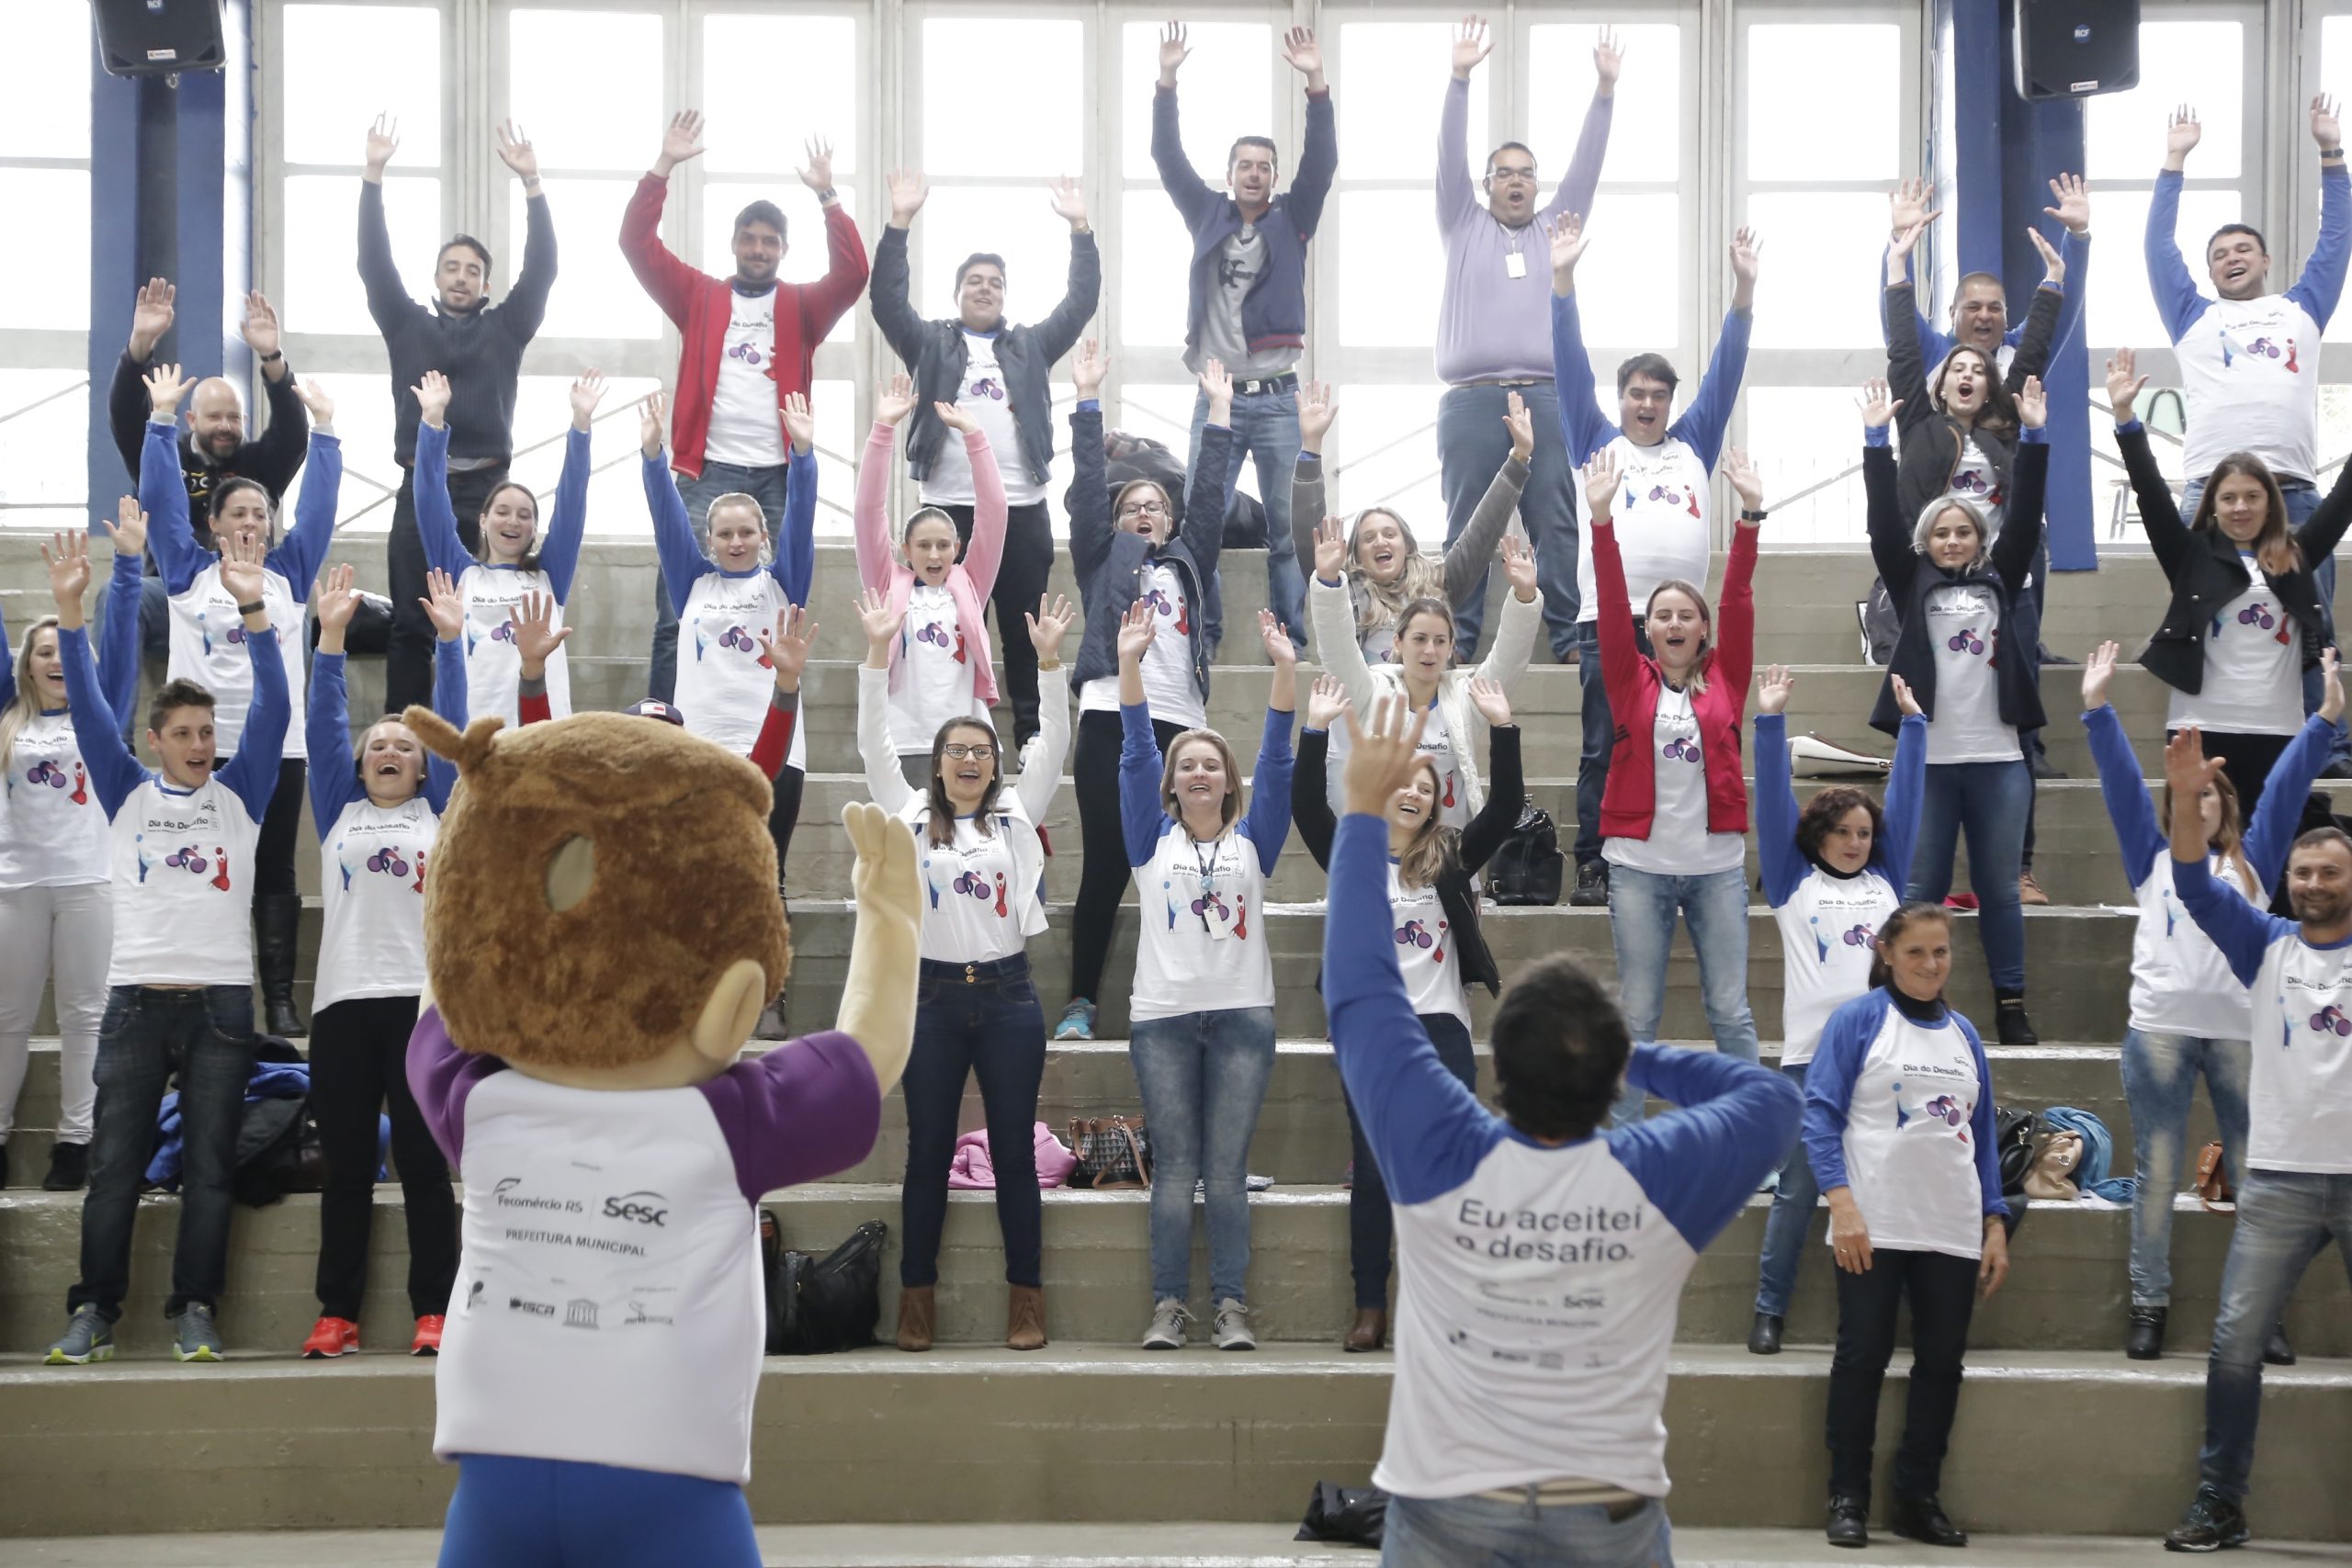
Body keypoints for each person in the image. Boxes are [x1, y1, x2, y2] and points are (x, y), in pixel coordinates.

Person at [1323, 691, 1801, 1567]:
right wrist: (1639, 1061)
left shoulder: (1441, 1148)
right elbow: (1772, 1102)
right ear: (1609, 1069)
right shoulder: (1656, 1174)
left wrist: (1359, 813)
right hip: (1607, 1519)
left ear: (1496, 1069)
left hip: (1447, 1511)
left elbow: (1359, 992)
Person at [40, 529, 288, 1368]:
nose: (198, 743)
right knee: (113, 1172)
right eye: (181, 731)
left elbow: (279, 712)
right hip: (134, 1004)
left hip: (221, 1005)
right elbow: (81, 707)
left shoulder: (244, 794)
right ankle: (95, 1312)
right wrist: (72, 615)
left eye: (205, 730)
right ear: (155, 740)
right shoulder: (123, 793)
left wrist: (256, 609)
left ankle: (195, 1310)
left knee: (210, 1173)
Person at [2083, 639, 2335, 1366]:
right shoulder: (2151, 857)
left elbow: (2287, 786)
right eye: (2186, 796)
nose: (2199, 803)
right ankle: (2149, 1303)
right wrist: (2097, 708)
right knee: (2157, 1175)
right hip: (2159, 1033)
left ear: (2227, 803)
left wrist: (2321, 724)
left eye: (2210, 794)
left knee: (2260, 1176)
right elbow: (2122, 787)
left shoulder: (2253, 858)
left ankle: (2266, 1313)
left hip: (2243, 1037)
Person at [857, 587, 1077, 1354]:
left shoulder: (1017, 813)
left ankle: (1027, 1301)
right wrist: (876, 654)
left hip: (1011, 998)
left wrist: (1050, 662)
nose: (970, 762)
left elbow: (1054, 742)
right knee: (927, 1152)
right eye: (957, 751)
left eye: (981, 752)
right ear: (939, 764)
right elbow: (871, 746)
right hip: (934, 1000)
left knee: (1014, 1152)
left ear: (993, 763)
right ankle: (916, 1303)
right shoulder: (911, 814)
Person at [2156, 727, 2352, 1552]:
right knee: (2235, 1345)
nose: (2311, 883)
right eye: (2301, 872)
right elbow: (2196, 888)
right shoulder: (2266, 945)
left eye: (2329, 872)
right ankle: (2219, 1502)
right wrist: (2183, 801)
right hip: (2274, 1177)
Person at [1291, 673, 1521, 1352]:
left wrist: (1503, 729)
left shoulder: (1448, 857)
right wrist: (1314, 730)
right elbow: (1307, 806)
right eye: (1406, 781)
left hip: (1440, 1029)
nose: (1416, 791)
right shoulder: (1351, 856)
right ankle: (1371, 1306)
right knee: (1373, 1170)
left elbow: (1506, 807)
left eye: (1427, 785)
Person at [622, 112, 867, 706]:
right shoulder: (700, 295)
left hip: (778, 474)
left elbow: (855, 272)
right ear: (735, 244)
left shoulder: (802, 306)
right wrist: (664, 166)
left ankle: (771, 712)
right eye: (749, 239)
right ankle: (665, 718)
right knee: (675, 604)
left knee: (783, 602)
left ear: (783, 250)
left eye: (770, 241)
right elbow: (636, 243)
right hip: (707, 471)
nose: (759, 249)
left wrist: (829, 196)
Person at [1550, 210, 1758, 907]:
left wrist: (1743, 293)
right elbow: (1567, 365)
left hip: (1680, 626)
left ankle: (1693, 854)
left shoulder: (1694, 441)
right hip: (1606, 622)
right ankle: (1594, 861)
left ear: (1672, 402)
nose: (1647, 403)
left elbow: (1726, 372)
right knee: (1603, 744)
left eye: (1658, 394)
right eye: (1636, 393)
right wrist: (1563, 280)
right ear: (1621, 400)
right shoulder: (1594, 439)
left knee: (1694, 740)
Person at [295, 563, 469, 1361]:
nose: (391, 749)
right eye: (380, 746)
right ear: (363, 767)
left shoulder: (444, 816)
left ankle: (433, 1309)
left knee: (427, 1171)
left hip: (422, 1013)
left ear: (424, 765)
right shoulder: (339, 811)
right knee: (348, 1172)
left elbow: (460, 732)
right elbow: (326, 727)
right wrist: (329, 639)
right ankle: (338, 1312)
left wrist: (452, 644)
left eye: (405, 744)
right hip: (342, 1010)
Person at [1116, 599, 1297, 1353]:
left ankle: (1229, 1306)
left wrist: (1286, 671)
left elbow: (1281, 760)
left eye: (1211, 764)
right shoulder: (1146, 839)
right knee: (1174, 1172)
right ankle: (1167, 1306)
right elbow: (1132, 750)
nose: (1198, 770)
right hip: (1160, 1018)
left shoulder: (1257, 840)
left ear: (1228, 782)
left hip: (1241, 1020)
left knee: (1224, 1172)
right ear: (1172, 783)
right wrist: (1129, 663)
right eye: (1186, 763)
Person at [143, 364, 342, 1040]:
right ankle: (198, 983)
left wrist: (329, 432)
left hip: (277, 750)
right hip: (203, 746)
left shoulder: (289, 574)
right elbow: (162, 502)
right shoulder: (186, 571)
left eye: (262, 513)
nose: (254, 522)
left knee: (274, 870)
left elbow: (316, 509)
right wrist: (161, 420)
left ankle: (279, 999)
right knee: (201, 862)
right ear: (214, 522)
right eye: (240, 513)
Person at [2154, 98, 2352, 775]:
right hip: (2209, 494)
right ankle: (2201, 739)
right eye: (2219, 255)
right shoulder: (2191, 315)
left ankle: (2327, 746)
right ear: (2210, 274)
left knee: (2310, 617)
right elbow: (2159, 249)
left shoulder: (2301, 308)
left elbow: (2336, 242)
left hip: (2293, 492)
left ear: (2265, 259)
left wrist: (2332, 155)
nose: (2231, 258)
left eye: (2242, 249)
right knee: (2206, 615)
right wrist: (2174, 162)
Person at [1804, 903, 2011, 1550]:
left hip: (1951, 1226)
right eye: (1916, 952)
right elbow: (1818, 1114)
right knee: (1862, 1356)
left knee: (1942, 1364)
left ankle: (1918, 1498)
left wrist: (1995, 1223)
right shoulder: (1859, 1019)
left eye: (1941, 952)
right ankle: (1848, 1496)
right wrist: (1841, 1203)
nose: (1930, 964)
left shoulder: (1966, 1034)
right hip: (1872, 1222)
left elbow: (1980, 1140)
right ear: (1888, 952)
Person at [872, 169, 1098, 747]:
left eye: (994, 282)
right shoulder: (930, 341)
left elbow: (1079, 304)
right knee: (945, 630)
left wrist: (1080, 229)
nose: (985, 288)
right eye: (974, 281)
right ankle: (946, 736)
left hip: (1021, 509)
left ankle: (1030, 740)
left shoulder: (1029, 344)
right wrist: (899, 224)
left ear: (1005, 293)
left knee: (1023, 632)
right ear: (957, 292)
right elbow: (887, 301)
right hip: (947, 512)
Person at [1884, 212, 2067, 902]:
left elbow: (2033, 358)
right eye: (1956, 367)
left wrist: (2053, 282)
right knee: (1927, 717)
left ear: (1990, 385)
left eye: (1977, 371)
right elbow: (1904, 352)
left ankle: (2018, 867)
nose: (1967, 374)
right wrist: (1897, 266)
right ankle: (1914, 865)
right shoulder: (1922, 426)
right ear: (1943, 382)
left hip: (2003, 584)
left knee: (2014, 714)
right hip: (1932, 587)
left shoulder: (2008, 427)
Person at [1057, 346, 1238, 1043]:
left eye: (1155, 506)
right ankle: (1080, 1000)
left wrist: (1219, 411)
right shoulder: (1103, 558)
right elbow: (1086, 479)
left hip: (1180, 726)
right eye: (1132, 507)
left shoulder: (1189, 563)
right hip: (1110, 717)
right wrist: (1087, 399)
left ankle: (1192, 995)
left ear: (1169, 520)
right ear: (1117, 520)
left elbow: (1214, 496)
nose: (1144, 513)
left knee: (1186, 864)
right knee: (1106, 858)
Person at [1863, 372, 2050, 1045]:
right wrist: (1874, 442)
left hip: (1999, 759)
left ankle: (2010, 1001)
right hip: (1931, 761)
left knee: (2000, 888)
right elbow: (1883, 519)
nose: (1951, 540)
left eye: (1962, 531)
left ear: (1978, 540)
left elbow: (2024, 513)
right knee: (1921, 891)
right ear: (1927, 541)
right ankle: (1912, 1001)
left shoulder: (2004, 574)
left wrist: (2033, 435)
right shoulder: (1911, 579)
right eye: (1940, 532)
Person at [1582, 445, 1764, 1126]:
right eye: (1662, 615)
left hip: (1715, 870)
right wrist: (1601, 523)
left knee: (1730, 1010)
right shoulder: (1629, 679)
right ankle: (1629, 1141)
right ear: (1648, 629)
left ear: (1704, 630)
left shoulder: (1728, 678)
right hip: (1638, 870)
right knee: (1637, 1015)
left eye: (1687, 615)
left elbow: (1738, 594)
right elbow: (1606, 598)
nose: (1676, 623)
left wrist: (1748, 517)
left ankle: (1756, 1139)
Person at [1747, 664, 1927, 1356]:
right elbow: (1771, 805)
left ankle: (1898, 1315)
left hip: (1884, 1059)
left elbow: (1906, 804)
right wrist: (1770, 722)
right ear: (1819, 834)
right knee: (1797, 1191)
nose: (1856, 841)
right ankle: (1769, 1308)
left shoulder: (1887, 881)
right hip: (1809, 1062)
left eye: (1863, 832)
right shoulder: (1792, 884)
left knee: (1890, 1189)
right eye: (1843, 831)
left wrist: (1913, 726)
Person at [360, 115, 555, 716]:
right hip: (422, 488)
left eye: (473, 269)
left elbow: (543, 270)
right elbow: (374, 265)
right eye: (453, 267)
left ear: (487, 284)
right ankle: (404, 742)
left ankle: (478, 727)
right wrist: (373, 175)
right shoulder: (406, 324)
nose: (462, 277)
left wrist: (533, 185)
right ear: (437, 278)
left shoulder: (507, 327)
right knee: (413, 624)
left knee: (482, 619)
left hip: (487, 489)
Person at [1435, 19, 1618, 660]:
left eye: (1526, 174)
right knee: (1466, 522)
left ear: (1537, 186)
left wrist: (1604, 90)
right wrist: (1459, 79)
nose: (1515, 182)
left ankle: (1566, 636)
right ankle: (1458, 636)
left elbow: (1588, 168)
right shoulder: (1462, 222)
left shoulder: (1555, 228)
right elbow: (1448, 158)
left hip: (1545, 396)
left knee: (1554, 516)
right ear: (1487, 187)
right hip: (1471, 398)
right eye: (1503, 174)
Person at [2107, 347, 2352, 821]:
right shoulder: (2190, 556)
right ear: (2213, 505)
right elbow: (2152, 493)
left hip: (2278, 729)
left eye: (2253, 497)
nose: (2241, 507)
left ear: (2271, 503)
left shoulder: (2294, 558)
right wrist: (2125, 418)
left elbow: (2342, 502)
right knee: (2202, 854)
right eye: (2229, 498)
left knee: (2272, 860)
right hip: (2198, 730)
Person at [1153, 19, 1336, 648]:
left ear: (1274, 176)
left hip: (1280, 398)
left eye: (1265, 166)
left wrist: (1315, 82)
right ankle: (1201, 635)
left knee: (1288, 529)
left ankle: (1291, 637)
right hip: (1220, 400)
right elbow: (1167, 159)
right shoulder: (1207, 212)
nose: (1255, 174)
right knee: (1200, 520)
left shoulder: (1293, 219)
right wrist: (1167, 82)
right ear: (1229, 174)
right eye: (1245, 166)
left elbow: (1324, 160)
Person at [0, 504, 142, 1192]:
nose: (57, 658)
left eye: (67, 649)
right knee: (9, 1018)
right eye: (44, 651)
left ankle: (76, 1142)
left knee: (88, 1014)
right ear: (27, 666)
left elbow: (118, 639)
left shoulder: (102, 712)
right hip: (15, 885)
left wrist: (129, 566)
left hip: (90, 881)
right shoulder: (9, 719)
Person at [641, 388, 817, 881]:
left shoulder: (784, 582)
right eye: (724, 534)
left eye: (746, 532)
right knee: (700, 878)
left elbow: (801, 520)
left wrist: (802, 456)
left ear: (764, 536)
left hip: (777, 747)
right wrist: (654, 455)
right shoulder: (692, 581)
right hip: (701, 745)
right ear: (710, 539)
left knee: (765, 876)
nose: (736, 542)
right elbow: (665, 518)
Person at [107, 280, 310, 660]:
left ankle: (294, 717)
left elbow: (295, 436)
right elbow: (125, 415)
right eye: (214, 416)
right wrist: (140, 346)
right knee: (121, 595)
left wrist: (272, 358)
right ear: (190, 418)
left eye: (233, 418)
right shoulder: (163, 458)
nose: (224, 426)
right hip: (175, 590)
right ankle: (113, 717)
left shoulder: (259, 465)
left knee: (297, 604)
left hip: (252, 588)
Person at [1309, 522, 1540, 829]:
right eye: (1419, 639)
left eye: (1439, 641)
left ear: (1451, 647)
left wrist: (1525, 596)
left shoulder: (1465, 698)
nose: (1429, 651)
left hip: (1447, 857)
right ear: (1398, 642)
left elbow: (1510, 660)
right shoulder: (1372, 692)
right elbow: (1338, 650)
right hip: (1381, 853)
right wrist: (1327, 581)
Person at [1292, 382, 1532, 663]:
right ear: (1356, 554)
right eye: (1368, 539)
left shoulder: (1439, 582)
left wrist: (1519, 456)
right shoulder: (1342, 588)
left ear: (1407, 544)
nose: (1380, 541)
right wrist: (1311, 446)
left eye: (1389, 534)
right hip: (1368, 700)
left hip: (1430, 701)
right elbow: (1308, 533)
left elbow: (1481, 533)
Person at [413, 369, 601, 728]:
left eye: (524, 515)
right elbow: (429, 500)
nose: (513, 521)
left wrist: (581, 424)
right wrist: (433, 421)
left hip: (542, 734)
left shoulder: (549, 575)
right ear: (483, 521)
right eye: (502, 512)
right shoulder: (460, 572)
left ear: (534, 529)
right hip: (473, 735)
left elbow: (572, 501)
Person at [854, 374, 1009, 763]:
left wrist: (975, 436)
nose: (935, 555)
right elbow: (868, 512)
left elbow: (995, 512)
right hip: (903, 742)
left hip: (969, 744)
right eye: (924, 546)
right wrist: (884, 429)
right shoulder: (888, 584)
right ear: (906, 550)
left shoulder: (970, 582)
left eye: (944, 546)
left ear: (957, 549)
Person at [1881, 173, 2091, 384]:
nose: (1985, 315)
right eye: (1973, 307)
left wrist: (2077, 235)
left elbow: (2058, 308)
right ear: (1953, 313)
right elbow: (1898, 317)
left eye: (1995, 308)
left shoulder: (2022, 354)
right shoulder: (1929, 353)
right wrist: (1900, 239)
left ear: (2007, 316)